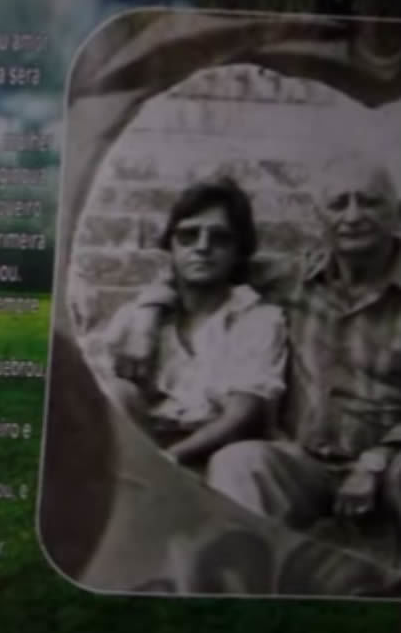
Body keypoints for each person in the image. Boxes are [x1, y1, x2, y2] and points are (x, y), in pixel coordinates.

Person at [115, 152, 401, 536]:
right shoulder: (291, 278)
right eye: (338, 203)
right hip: (302, 461)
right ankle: (240, 582)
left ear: (395, 210)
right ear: (320, 217)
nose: (352, 216)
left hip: (388, 460)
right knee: (240, 461)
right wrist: (146, 319)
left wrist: (376, 460)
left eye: (369, 202)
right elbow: (198, 268)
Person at [99, 178, 286, 467]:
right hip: (141, 449)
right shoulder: (139, 316)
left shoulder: (258, 320)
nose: (202, 247)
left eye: (219, 238)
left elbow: (243, 414)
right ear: (171, 246)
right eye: (188, 235)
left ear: (239, 251)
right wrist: (146, 317)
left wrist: (171, 459)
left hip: (214, 455)